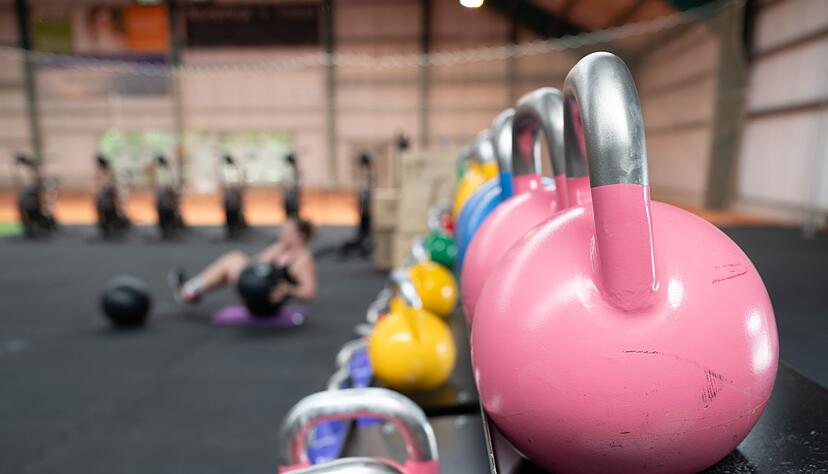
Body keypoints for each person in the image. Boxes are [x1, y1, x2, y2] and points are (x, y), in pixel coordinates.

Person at [170, 216, 317, 314]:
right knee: (232, 263)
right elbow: (256, 264)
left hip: (269, 303)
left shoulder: (302, 259)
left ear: (300, 236)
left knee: (233, 259)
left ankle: (190, 290)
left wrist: (287, 289)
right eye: (283, 231)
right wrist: (276, 251)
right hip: (256, 293)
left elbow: (309, 292)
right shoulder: (280, 248)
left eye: (287, 232)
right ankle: (192, 290)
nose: (282, 234)